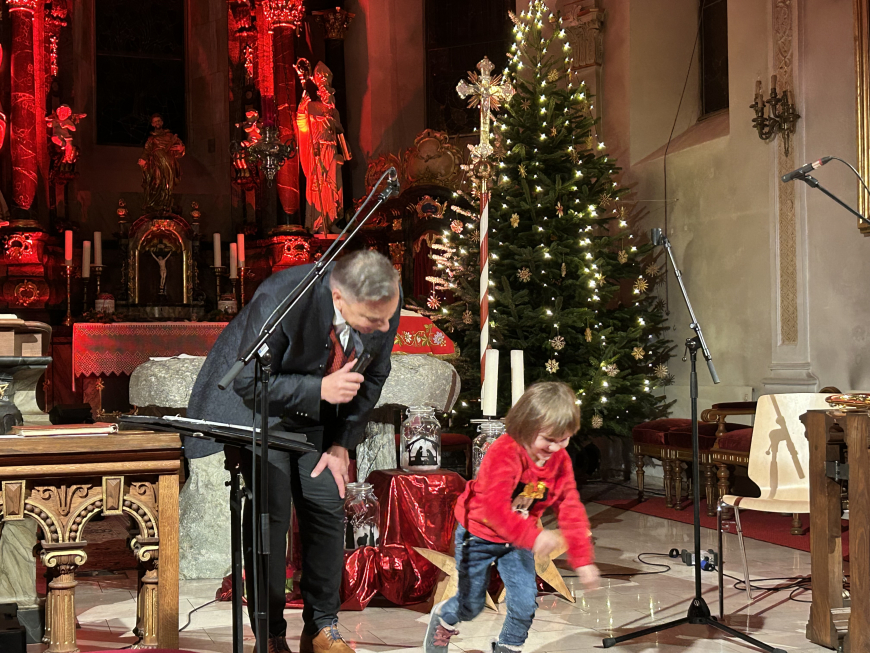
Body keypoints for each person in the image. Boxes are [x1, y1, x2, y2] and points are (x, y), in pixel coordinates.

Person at [187, 249, 402, 653]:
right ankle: (268, 634)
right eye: (374, 320)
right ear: (340, 299)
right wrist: (318, 389)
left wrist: (342, 445)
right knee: (271, 518)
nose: (384, 326)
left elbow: (376, 371)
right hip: (260, 408)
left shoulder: (383, 293)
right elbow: (248, 383)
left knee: (326, 507)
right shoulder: (282, 296)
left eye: (387, 316)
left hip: (317, 419)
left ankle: (321, 626)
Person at [423, 382, 600, 653]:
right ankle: (443, 620)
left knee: (525, 603)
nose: (555, 448)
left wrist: (583, 558)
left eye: (563, 439)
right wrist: (534, 536)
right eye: (548, 440)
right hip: (479, 532)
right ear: (524, 427)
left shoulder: (559, 460)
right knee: (470, 604)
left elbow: (570, 505)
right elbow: (495, 509)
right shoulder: (504, 451)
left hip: (517, 539)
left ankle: (508, 647)